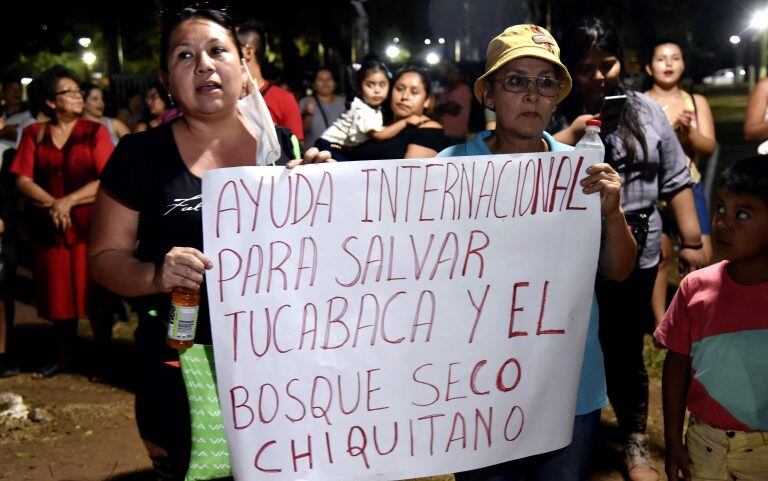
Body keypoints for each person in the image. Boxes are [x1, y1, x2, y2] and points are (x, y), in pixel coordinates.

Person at [88, 8, 332, 479]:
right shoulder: (139, 156)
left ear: (243, 66)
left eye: (217, 51)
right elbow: (103, 258)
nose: (203, 64)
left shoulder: (283, 148)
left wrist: (325, 194)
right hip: (179, 363)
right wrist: (155, 274)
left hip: (280, 364)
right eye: (185, 56)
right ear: (165, 79)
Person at [440, 24, 636, 481]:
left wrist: (611, 211)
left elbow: (618, 269)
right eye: (516, 81)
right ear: (488, 94)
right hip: (479, 390)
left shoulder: (579, 174)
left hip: (566, 385)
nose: (532, 94)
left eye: (545, 82)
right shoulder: (448, 170)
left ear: (556, 100)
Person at [551, 16, 707, 481]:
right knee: (570, 350)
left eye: (608, 63)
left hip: (638, 249)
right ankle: (567, 437)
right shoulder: (554, 114)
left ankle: (634, 440)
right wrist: (571, 136)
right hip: (569, 257)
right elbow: (525, 173)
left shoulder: (646, 110)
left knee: (623, 346)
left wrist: (693, 243)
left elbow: (677, 180)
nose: (598, 76)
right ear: (567, 69)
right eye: (584, 67)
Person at [654, 155, 768, 481]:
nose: (722, 223)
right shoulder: (695, 287)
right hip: (705, 443)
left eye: (742, 214)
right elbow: (675, 365)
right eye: (719, 208)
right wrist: (674, 439)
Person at [10, 65, 114, 378]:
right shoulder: (34, 133)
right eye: (69, 92)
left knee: (96, 296)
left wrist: (68, 201)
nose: (78, 97)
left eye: (78, 91)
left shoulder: (94, 131)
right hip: (51, 229)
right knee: (58, 296)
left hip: (89, 227)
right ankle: (66, 356)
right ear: (51, 101)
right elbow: (22, 180)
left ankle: (103, 357)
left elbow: (107, 177)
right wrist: (54, 204)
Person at [644, 40, 716, 330]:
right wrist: (666, 128)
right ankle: (661, 324)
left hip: (690, 187)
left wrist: (688, 132)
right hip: (652, 190)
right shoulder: (640, 102)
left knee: (702, 257)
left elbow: (708, 147)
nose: (669, 63)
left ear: (683, 64)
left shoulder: (695, 102)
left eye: (675, 58)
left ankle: (697, 319)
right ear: (650, 67)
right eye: (661, 58)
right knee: (660, 258)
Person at [316, 60, 426, 161]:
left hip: (337, 146)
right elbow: (379, 135)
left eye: (382, 85)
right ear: (359, 87)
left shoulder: (374, 108)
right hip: (330, 146)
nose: (377, 90)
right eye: (370, 85)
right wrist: (405, 121)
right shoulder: (361, 109)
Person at [348, 66, 446, 160]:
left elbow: (410, 174)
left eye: (414, 92)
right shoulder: (378, 123)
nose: (405, 96)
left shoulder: (429, 130)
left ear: (427, 101)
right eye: (399, 89)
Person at [237, 18, 304, 143]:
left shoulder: (284, 99)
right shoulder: (224, 101)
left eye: (229, 47)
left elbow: (296, 151)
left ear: (248, 52)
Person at [300, 67, 346, 148]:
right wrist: (309, 114)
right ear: (314, 85)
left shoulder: (344, 102)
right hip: (314, 156)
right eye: (321, 80)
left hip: (340, 153)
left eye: (329, 79)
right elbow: (300, 133)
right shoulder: (305, 102)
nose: (325, 83)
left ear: (335, 83)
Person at [435, 64, 472, 145]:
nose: (449, 76)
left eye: (452, 74)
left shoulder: (463, 89)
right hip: (443, 134)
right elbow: (437, 109)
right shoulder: (446, 90)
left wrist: (440, 107)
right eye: (448, 74)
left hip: (456, 136)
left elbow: (453, 109)